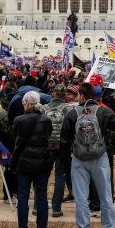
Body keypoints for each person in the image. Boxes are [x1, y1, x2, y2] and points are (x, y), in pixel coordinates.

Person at [59, 82, 115, 228]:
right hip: (100, 157)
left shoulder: (72, 114)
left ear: (82, 96)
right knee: (105, 195)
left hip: (78, 159)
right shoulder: (103, 111)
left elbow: (64, 142)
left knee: (81, 198)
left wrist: (66, 164)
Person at [11, 91, 54, 228]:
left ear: (28, 104)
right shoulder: (47, 120)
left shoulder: (18, 120)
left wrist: (13, 162)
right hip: (42, 163)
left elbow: (16, 142)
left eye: (24, 103)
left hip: (24, 163)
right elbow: (48, 138)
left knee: (23, 196)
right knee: (41, 196)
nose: (23, 106)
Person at [41, 83, 73, 217]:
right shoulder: (68, 109)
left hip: (45, 145)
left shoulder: (44, 108)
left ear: (53, 94)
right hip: (61, 146)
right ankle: (56, 208)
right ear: (65, 95)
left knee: (42, 176)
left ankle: (38, 206)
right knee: (60, 176)